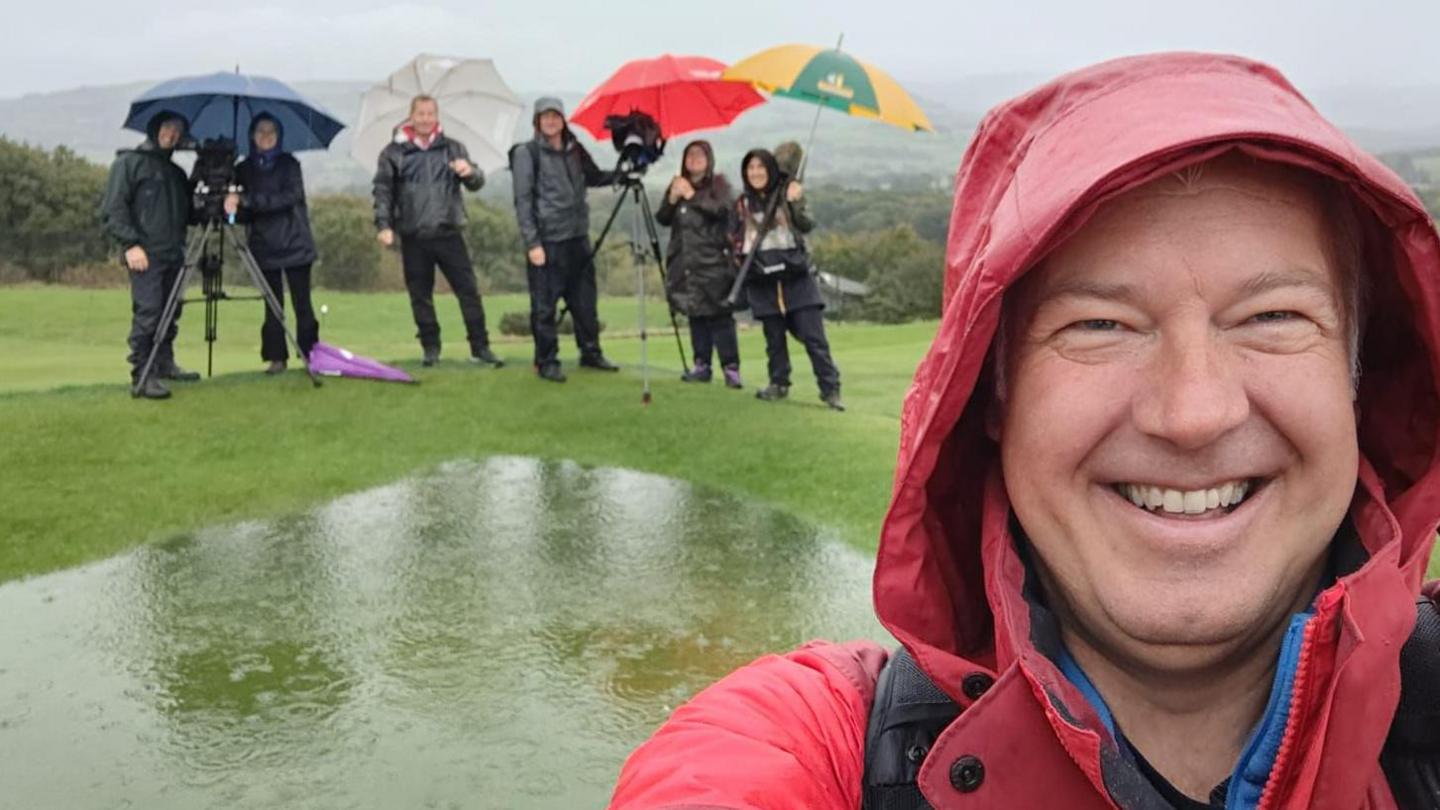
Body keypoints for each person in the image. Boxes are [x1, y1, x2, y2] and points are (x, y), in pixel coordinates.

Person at [607, 53, 1440, 809]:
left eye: (1271, 316)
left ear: (1359, 381)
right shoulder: (822, 749)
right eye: (1100, 325)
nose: (1193, 413)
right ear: (992, 392)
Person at [373, 94, 503, 368]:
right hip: (414, 234)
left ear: (437, 116)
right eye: (420, 114)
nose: (425, 119)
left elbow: (476, 182)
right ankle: (430, 348)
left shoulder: (453, 148)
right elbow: (383, 191)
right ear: (411, 116)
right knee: (420, 295)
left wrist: (469, 172)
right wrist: (384, 225)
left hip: (448, 231)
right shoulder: (394, 153)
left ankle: (481, 347)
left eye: (430, 113)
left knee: (468, 291)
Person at [510, 96, 619, 383]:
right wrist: (532, 243)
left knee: (585, 301)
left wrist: (622, 174)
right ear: (537, 121)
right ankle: (547, 360)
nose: (551, 121)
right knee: (544, 305)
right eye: (545, 116)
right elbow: (523, 202)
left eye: (555, 115)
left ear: (563, 119)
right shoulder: (527, 153)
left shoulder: (574, 149)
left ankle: (591, 352)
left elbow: (593, 177)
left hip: (577, 236)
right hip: (548, 240)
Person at [99, 109, 199, 400]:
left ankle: (165, 364)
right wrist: (130, 245)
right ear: (155, 129)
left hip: (174, 253)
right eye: (168, 127)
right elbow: (113, 211)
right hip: (144, 254)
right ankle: (143, 375)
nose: (172, 134)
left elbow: (188, 216)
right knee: (149, 312)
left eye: (178, 130)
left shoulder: (177, 174)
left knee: (171, 311)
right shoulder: (128, 163)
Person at [735, 148, 843, 411]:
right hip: (762, 279)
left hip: (796, 278)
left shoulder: (786, 195)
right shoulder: (741, 204)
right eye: (751, 168)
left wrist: (795, 202)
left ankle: (830, 389)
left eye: (761, 167)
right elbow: (735, 238)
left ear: (770, 169)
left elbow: (806, 224)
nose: (756, 173)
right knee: (774, 339)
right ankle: (778, 382)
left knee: (813, 337)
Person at [224, 114, 318, 374]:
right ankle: (277, 357)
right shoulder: (242, 169)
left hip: (295, 242)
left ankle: (310, 354)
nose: (266, 136)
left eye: (271, 132)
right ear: (252, 136)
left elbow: (289, 197)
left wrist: (248, 200)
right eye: (260, 132)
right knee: (272, 305)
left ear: (279, 136)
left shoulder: (290, 165)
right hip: (263, 244)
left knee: (303, 304)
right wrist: (232, 204)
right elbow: (243, 216)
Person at [655, 140, 741, 387]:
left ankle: (731, 368)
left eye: (699, 154)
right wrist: (672, 197)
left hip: (714, 262)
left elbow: (723, 212)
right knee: (696, 315)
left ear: (709, 158)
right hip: (686, 261)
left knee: (720, 315)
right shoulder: (678, 185)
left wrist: (691, 196)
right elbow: (663, 218)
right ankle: (701, 365)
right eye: (690, 154)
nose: (694, 159)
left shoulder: (719, 185)